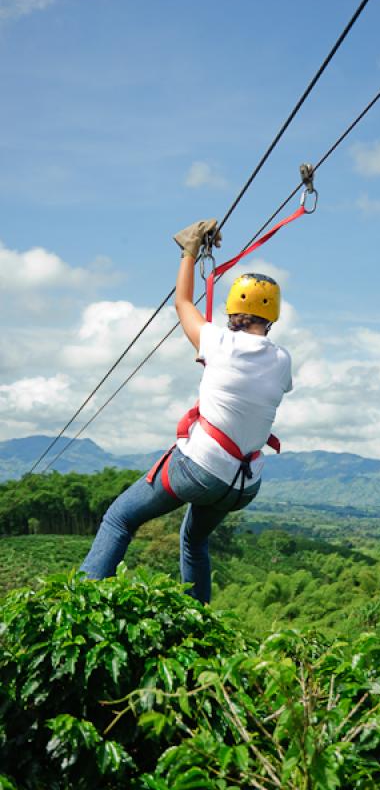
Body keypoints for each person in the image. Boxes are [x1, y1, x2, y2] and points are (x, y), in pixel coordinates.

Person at [79, 218, 293, 603]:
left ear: (233, 309)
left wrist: (190, 251)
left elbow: (182, 302)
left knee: (119, 518)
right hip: (243, 484)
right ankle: (200, 623)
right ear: (271, 316)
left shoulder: (218, 341)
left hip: (201, 467)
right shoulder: (281, 360)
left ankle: (81, 600)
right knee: (194, 541)